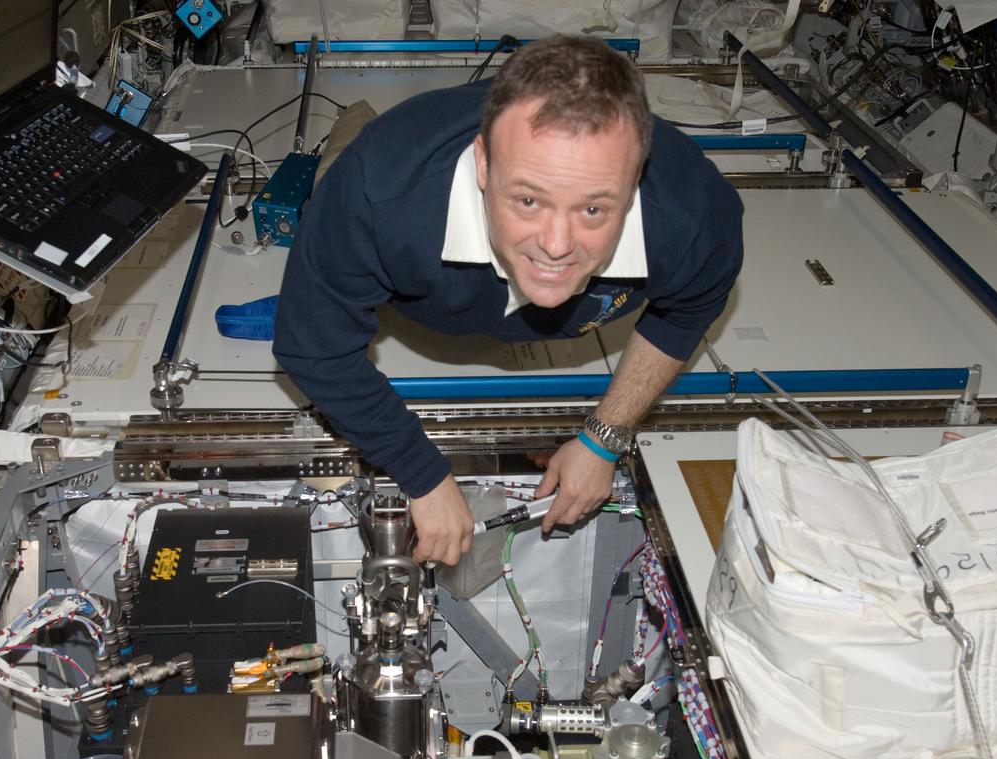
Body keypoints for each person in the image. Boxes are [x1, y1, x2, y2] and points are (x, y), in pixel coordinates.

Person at [274, 35, 743, 567]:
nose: (557, 245)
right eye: (528, 200)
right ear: (482, 166)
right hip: (402, 201)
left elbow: (688, 309)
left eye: (593, 210)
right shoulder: (376, 191)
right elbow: (315, 349)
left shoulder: (696, 219)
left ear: (635, 184)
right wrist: (422, 474)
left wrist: (603, 439)